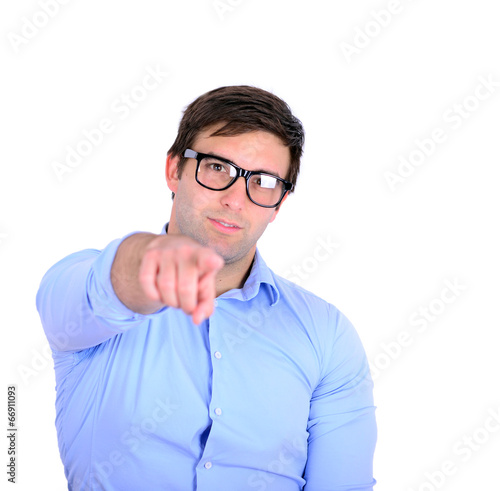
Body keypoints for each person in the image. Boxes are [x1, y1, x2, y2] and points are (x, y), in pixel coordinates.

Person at [37, 85, 377, 490]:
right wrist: (147, 262)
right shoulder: (78, 283)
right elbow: (107, 287)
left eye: (264, 181)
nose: (236, 199)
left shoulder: (328, 335)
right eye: (217, 167)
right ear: (174, 170)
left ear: (280, 203)